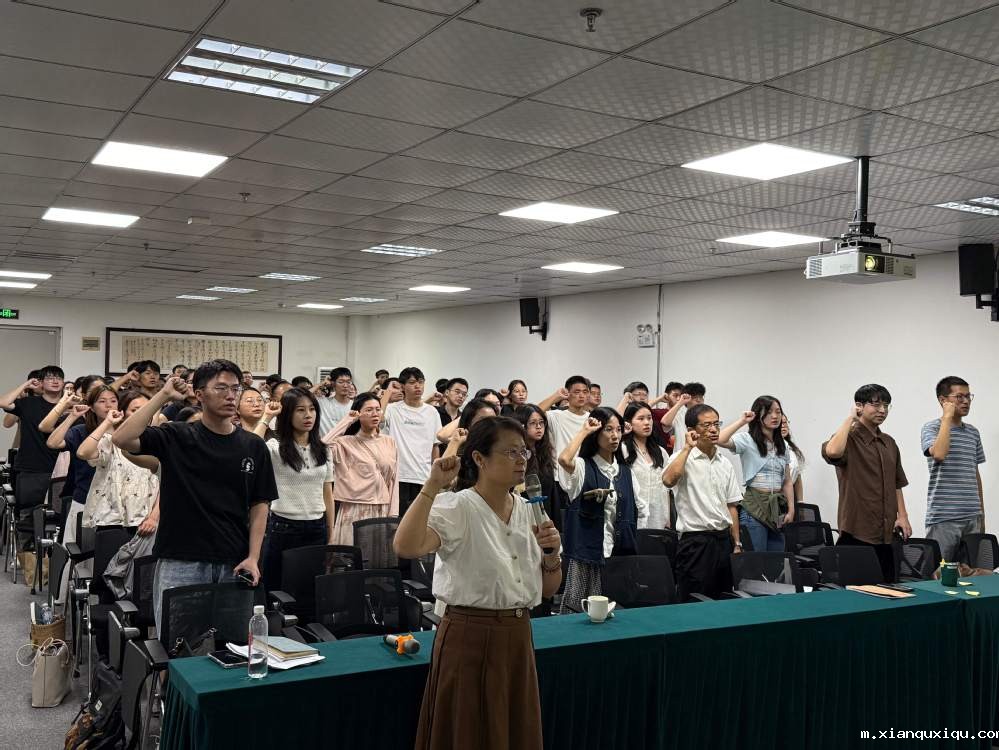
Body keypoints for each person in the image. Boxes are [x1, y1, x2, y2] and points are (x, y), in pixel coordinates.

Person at [394, 418, 561, 750]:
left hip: (518, 634)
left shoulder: (531, 510)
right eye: (510, 452)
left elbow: (547, 590)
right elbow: (406, 546)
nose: (521, 460)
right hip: (469, 635)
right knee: (468, 732)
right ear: (479, 459)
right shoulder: (458, 506)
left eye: (524, 452)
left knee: (514, 730)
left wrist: (552, 555)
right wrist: (432, 486)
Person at [112, 359, 278, 631]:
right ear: (199, 394)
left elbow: (260, 504)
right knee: (179, 644)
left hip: (233, 560)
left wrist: (253, 556)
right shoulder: (177, 435)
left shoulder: (253, 446)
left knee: (233, 644)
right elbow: (122, 439)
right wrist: (163, 394)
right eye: (221, 388)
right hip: (181, 560)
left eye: (235, 389)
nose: (230, 395)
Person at [557, 407, 646, 613]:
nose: (615, 435)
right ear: (596, 433)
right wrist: (584, 431)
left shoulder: (625, 472)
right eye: (608, 429)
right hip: (588, 554)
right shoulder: (583, 466)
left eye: (618, 429)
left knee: (619, 612)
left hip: (619, 554)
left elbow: (639, 511)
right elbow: (564, 460)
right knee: (581, 612)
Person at [822, 384, 911, 583]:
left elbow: (897, 483)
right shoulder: (848, 437)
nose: (882, 410)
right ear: (859, 406)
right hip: (856, 530)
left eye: (886, 405)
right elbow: (832, 452)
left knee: (888, 588)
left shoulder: (889, 443)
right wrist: (850, 419)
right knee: (857, 592)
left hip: (886, 533)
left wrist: (903, 516)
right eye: (876, 405)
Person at [254, 388, 334, 589]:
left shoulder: (323, 449)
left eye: (312, 409)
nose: (308, 415)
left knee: (311, 588)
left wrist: (331, 531)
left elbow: (327, 493)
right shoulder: (275, 447)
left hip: (317, 527)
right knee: (276, 587)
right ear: (287, 414)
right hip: (284, 527)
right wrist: (267, 416)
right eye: (300, 410)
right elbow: (249, 447)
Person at [664, 403, 742, 600]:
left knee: (724, 598)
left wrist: (737, 543)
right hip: (695, 543)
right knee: (694, 599)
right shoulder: (680, 458)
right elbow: (668, 480)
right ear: (692, 430)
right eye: (707, 425)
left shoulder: (724, 462)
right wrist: (687, 448)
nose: (714, 429)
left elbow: (731, 505)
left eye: (716, 424)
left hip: (723, 541)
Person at [718, 396, 796, 553]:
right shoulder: (747, 440)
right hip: (754, 509)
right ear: (758, 415)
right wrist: (742, 421)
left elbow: (787, 481)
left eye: (778, 412)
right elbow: (719, 439)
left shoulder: (782, 444)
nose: (775, 416)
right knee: (757, 561)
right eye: (769, 412)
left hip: (776, 509)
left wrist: (791, 509)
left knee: (777, 560)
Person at [922, 376, 986, 561]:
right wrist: (947, 418)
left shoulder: (973, 432)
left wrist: (981, 514)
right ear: (943, 400)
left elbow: (974, 473)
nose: (966, 401)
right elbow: (939, 453)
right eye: (959, 397)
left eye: (968, 396)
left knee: (973, 573)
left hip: (972, 516)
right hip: (944, 518)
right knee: (940, 573)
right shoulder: (931, 428)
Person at [322, 392, 399, 545]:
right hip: (354, 508)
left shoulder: (389, 442)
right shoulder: (345, 442)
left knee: (375, 555)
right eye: (369, 410)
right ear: (358, 413)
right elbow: (323, 446)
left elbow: (394, 479)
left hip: (381, 509)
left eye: (378, 409)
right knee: (351, 554)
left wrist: (393, 513)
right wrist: (347, 420)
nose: (375, 414)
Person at [77, 397, 160, 535]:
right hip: (111, 522)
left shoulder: (159, 443)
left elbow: (166, 485)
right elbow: (83, 452)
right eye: (135, 410)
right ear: (122, 413)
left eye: (146, 409)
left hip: (147, 523)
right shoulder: (111, 441)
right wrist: (108, 422)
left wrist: (153, 518)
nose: (142, 414)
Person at [0, 366, 63, 537]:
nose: (55, 381)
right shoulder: (28, 403)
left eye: (58, 377)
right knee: (28, 517)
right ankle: (28, 551)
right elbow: (3, 403)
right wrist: (26, 385)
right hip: (32, 468)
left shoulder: (68, 406)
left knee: (58, 518)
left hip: (61, 469)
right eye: (50, 378)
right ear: (40, 383)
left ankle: (53, 553)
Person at [380, 367, 442, 516]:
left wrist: (436, 474)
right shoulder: (393, 409)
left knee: (420, 520)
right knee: (396, 521)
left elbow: (435, 445)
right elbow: (378, 420)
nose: (417, 386)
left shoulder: (432, 412)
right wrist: (387, 393)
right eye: (412, 382)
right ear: (402, 386)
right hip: (398, 476)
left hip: (423, 476)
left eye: (420, 382)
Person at [621, 402, 671, 530]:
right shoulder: (622, 450)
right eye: (641, 418)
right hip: (632, 517)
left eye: (649, 418)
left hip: (658, 518)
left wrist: (668, 519)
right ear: (629, 422)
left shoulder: (661, 452)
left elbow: (665, 488)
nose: (647, 423)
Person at [513, 404, 561, 533]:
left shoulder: (544, 452)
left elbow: (551, 491)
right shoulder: (516, 455)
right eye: (533, 423)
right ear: (522, 425)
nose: (539, 427)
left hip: (546, 514)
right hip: (524, 518)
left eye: (541, 423)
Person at [539, 375, 590, 463]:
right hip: (560, 467)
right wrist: (556, 396)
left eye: (585, 392)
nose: (582, 395)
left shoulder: (592, 418)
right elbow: (533, 413)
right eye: (577, 392)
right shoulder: (556, 415)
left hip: (584, 467)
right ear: (568, 394)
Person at [317, 367, 354, 437]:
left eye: (348, 382)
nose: (345, 385)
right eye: (341, 382)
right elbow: (301, 397)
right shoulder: (323, 403)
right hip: (326, 443)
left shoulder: (355, 406)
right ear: (333, 384)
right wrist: (322, 383)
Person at [671, 382, 705, 454]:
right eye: (694, 397)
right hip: (680, 456)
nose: (699, 400)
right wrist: (680, 402)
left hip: (700, 456)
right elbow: (665, 423)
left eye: (701, 397)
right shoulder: (679, 414)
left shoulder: (707, 417)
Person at [649, 381, 685, 451]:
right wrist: (659, 399)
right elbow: (642, 409)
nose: (678, 399)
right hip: (661, 450)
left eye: (681, 396)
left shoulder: (684, 415)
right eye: (675, 395)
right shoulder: (659, 412)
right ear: (667, 396)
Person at [781, 415, 805, 504]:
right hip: (774, 500)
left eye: (785, 422)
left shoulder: (791, 448)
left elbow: (797, 476)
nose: (783, 425)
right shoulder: (768, 448)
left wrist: (800, 502)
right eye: (780, 423)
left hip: (790, 499)